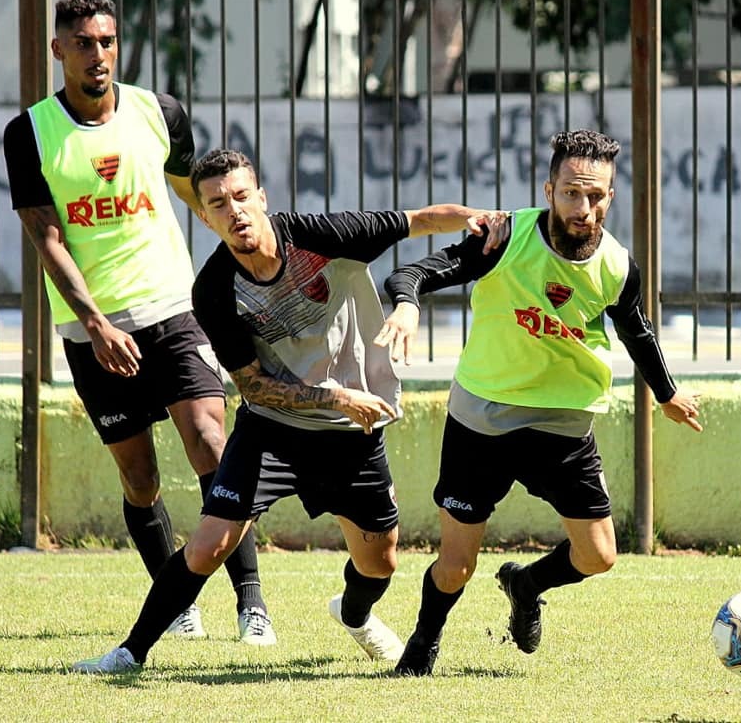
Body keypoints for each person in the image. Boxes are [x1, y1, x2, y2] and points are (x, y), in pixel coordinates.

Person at [69, 148, 509, 674]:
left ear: (261, 197)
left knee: (380, 561)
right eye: (217, 204)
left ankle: (354, 615)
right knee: (209, 544)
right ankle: (128, 654)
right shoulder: (213, 290)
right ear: (205, 218)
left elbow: (419, 221)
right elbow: (253, 386)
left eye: (240, 196)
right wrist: (336, 397)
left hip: (351, 433)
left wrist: (474, 218)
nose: (233, 211)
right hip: (272, 431)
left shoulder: (323, 236)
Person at [376, 129, 704, 676]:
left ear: (611, 196)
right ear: (549, 190)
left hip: (563, 427)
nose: (583, 208)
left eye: (595, 196)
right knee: (455, 567)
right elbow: (411, 272)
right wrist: (407, 304)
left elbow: (637, 332)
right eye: (571, 193)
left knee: (598, 555)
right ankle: (422, 646)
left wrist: (667, 395)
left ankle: (526, 585)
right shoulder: (503, 239)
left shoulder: (618, 266)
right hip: (483, 420)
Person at [2, 0, 270, 644]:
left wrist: (250, 260)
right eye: (83, 43)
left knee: (212, 445)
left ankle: (251, 603)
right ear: (58, 49)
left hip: (174, 306)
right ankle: (176, 603)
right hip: (91, 328)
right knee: (140, 477)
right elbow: (47, 238)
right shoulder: (30, 133)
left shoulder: (160, 112)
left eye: (107, 41)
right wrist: (96, 324)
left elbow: (200, 197)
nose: (98, 55)